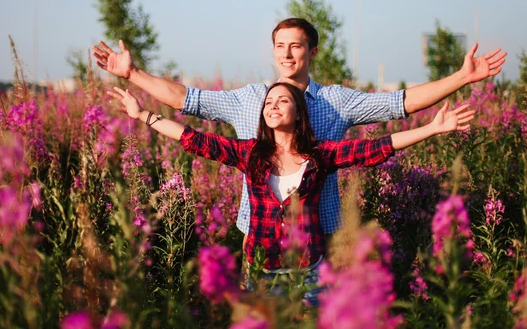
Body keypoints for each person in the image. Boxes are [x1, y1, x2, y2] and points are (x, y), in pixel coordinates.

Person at [92, 18, 506, 244]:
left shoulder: (338, 101)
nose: (287, 54)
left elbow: (401, 104)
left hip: (319, 235)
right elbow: (186, 99)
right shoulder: (249, 99)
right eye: (279, 46)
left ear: (312, 51)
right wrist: (133, 74)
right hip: (258, 234)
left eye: (296, 46)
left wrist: (460, 79)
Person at [107, 81, 475, 306]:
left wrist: (431, 129)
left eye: (282, 101)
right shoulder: (250, 153)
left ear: (299, 114)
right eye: (268, 102)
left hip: (309, 273)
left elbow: (377, 147)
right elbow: (194, 139)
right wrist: (142, 116)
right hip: (260, 271)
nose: (272, 105)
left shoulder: (321, 156)